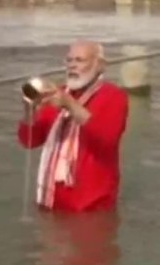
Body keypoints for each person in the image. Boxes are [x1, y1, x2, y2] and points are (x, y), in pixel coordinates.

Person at [17, 41, 129, 213]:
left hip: (92, 207)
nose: (72, 65)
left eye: (79, 60)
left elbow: (107, 138)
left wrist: (69, 104)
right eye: (69, 61)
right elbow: (29, 141)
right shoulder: (58, 94)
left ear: (99, 65)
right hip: (50, 202)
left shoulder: (113, 96)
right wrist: (29, 111)